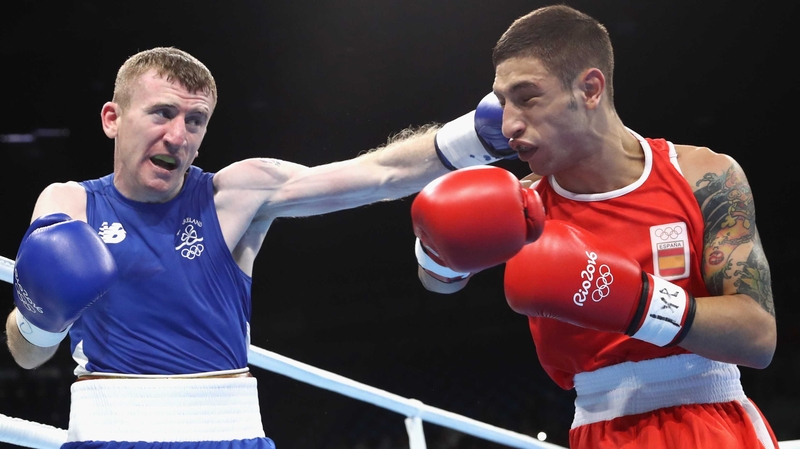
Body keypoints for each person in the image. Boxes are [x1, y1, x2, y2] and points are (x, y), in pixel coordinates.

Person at [4, 46, 516, 449]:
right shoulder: (69, 204)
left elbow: (376, 175)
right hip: (105, 433)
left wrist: (472, 137)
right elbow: (27, 355)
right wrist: (40, 317)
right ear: (113, 118)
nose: (178, 136)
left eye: (195, 121)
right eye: (162, 113)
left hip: (227, 433)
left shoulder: (235, 195)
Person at [411, 5, 779, 449]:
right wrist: (436, 246)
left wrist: (637, 302)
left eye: (527, 97)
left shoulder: (702, 175)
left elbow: (758, 339)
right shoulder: (520, 209)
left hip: (712, 421)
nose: (508, 124)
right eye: (502, 102)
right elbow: (439, 285)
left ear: (589, 89)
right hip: (595, 431)